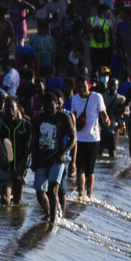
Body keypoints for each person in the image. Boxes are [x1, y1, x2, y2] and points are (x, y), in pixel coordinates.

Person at [29, 90, 78, 223]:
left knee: (53, 189)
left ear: (57, 105)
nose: (48, 110)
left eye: (51, 106)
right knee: (39, 191)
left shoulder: (64, 118)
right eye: (45, 107)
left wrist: (64, 153)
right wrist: (33, 159)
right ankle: (50, 212)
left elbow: (73, 138)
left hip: (57, 159)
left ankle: (53, 221)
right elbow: (34, 141)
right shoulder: (38, 119)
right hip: (41, 159)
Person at [68, 74, 107, 202]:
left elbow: (103, 114)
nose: (81, 89)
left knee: (90, 170)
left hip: (93, 139)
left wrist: (106, 120)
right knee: (80, 168)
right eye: (79, 86)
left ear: (89, 86)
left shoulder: (97, 97)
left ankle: (89, 196)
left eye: (84, 86)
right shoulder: (75, 99)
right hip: (79, 139)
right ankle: (81, 195)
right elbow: (73, 117)